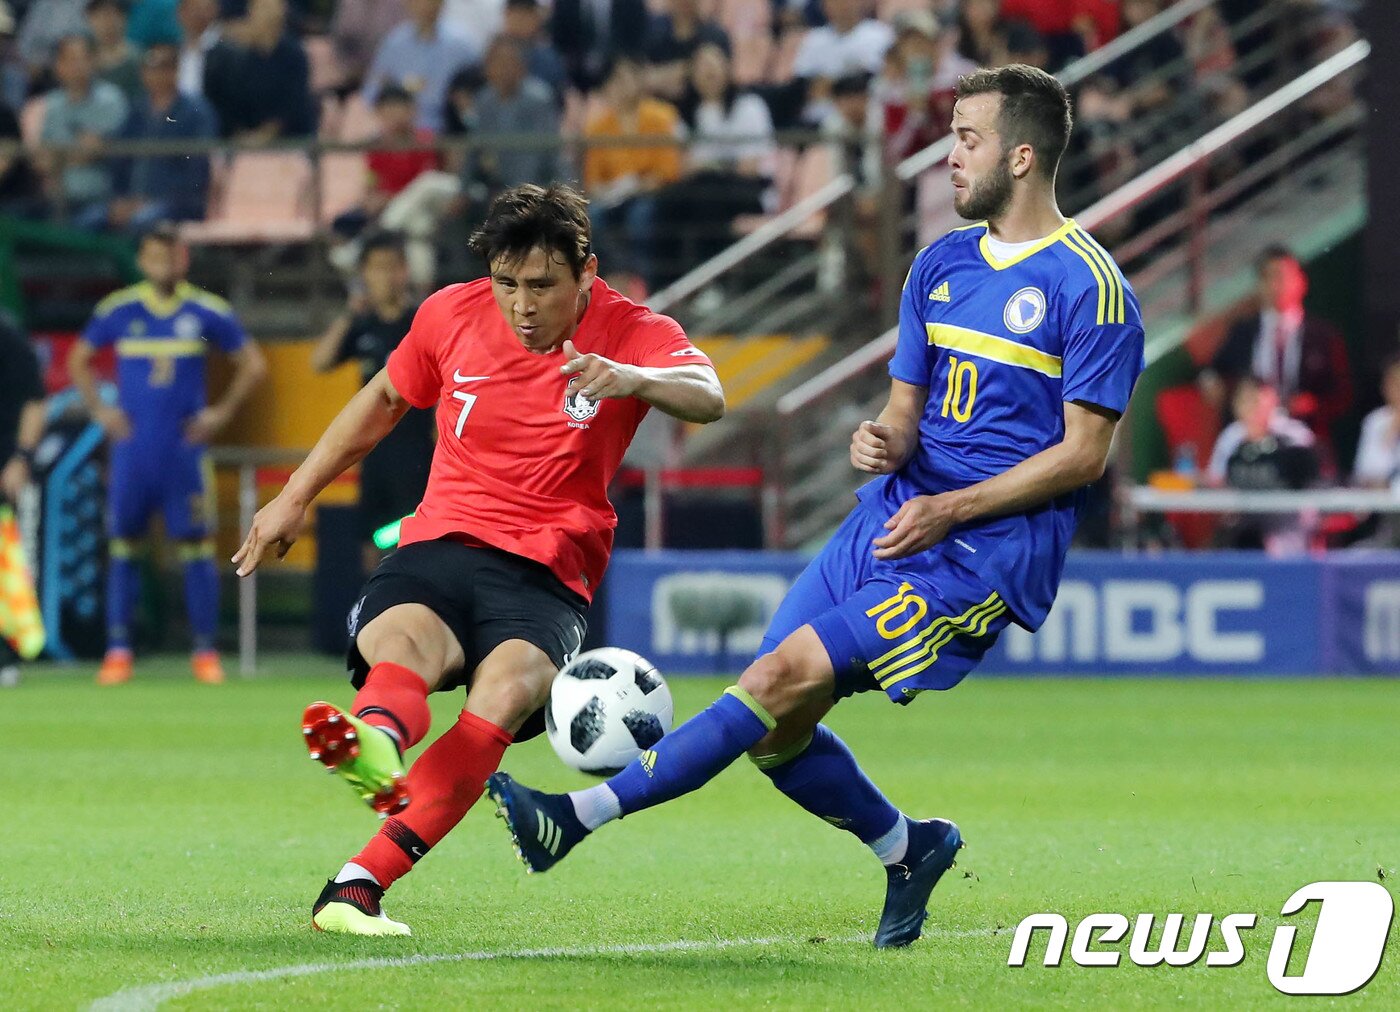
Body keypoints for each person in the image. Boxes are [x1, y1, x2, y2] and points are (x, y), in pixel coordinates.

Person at [486, 65, 1146, 949]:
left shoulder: (1090, 288)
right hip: (890, 519)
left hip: (980, 556)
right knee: (771, 731)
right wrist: (877, 442)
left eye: (967, 140)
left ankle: (573, 817)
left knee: (767, 684)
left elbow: (1084, 454)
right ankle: (910, 848)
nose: (948, 158)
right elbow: (904, 419)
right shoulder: (940, 266)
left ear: (1023, 157)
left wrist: (952, 511)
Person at [231, 183, 724, 936]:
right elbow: (382, 400)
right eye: (506, 284)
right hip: (442, 541)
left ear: (586, 273)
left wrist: (633, 379)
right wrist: (293, 497)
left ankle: (354, 889)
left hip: (547, 572)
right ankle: (374, 747)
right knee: (405, 643)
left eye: (541, 287)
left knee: (509, 690)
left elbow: (708, 394)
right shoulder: (449, 314)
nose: (521, 305)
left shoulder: (632, 330)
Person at [68, 224, 267, 686]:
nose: (164, 264)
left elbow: (252, 365)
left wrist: (220, 413)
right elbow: (79, 357)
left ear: (184, 260)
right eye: (155, 256)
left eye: (171, 256)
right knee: (123, 546)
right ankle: (118, 651)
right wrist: (101, 409)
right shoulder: (119, 310)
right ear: (142, 260)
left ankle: (204, 651)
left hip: (184, 451)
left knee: (196, 548)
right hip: (133, 451)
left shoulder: (206, 310)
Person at [310, 233, 434, 572]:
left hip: (416, 454)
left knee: (415, 542)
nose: (385, 276)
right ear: (364, 275)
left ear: (405, 271)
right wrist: (350, 314)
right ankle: (375, 610)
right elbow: (319, 362)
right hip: (373, 453)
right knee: (372, 542)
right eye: (376, 269)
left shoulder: (420, 322)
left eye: (392, 268)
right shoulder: (362, 325)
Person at [1199, 245, 1352, 469]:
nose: (1276, 285)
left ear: (1301, 281)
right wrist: (1212, 383)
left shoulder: (1324, 336)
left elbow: (1343, 394)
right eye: (1267, 277)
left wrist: (1311, 405)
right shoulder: (1243, 331)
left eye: (1282, 276)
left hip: (1305, 440)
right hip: (1250, 447)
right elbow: (1213, 372)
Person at [100, 42, 219, 231]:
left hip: (178, 203)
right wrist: (120, 199)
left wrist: (151, 201)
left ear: (175, 71)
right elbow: (119, 157)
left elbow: (197, 168)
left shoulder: (196, 111)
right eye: (151, 68)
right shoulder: (136, 110)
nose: (157, 75)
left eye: (164, 68)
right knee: (89, 222)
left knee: (141, 222)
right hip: (132, 199)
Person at [1206, 375, 1318, 554]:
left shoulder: (1295, 436)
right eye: (1243, 400)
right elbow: (1216, 482)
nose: (1249, 407)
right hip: (1244, 524)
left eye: (1254, 399)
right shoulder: (1232, 437)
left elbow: (1311, 482)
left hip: (1287, 526)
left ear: (1270, 399)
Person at [36, 34, 129, 222]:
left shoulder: (111, 100)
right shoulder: (53, 104)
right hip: (55, 199)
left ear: (94, 61)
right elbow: (41, 159)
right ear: (58, 65)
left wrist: (60, 157)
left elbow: (94, 151)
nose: (77, 66)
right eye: (70, 59)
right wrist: (76, 153)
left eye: (83, 58)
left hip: (99, 198)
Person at [0, 313, 46, 689]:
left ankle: (5, 656)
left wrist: (22, 458)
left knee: (3, 570)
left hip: (1, 468)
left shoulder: (7, 335)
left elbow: (34, 401)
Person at [202, 0, 315, 141]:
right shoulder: (231, 57)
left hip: (286, 139)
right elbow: (223, 102)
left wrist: (264, 135)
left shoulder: (295, 56)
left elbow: (294, 103)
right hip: (237, 140)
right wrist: (239, 135)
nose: (269, 15)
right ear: (251, 14)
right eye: (262, 8)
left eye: (273, 9)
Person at [361, 0, 478, 135]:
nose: (426, 5)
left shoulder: (462, 45)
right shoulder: (394, 43)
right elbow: (372, 91)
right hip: (401, 133)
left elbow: (478, 94)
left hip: (448, 131)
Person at [1353, 354, 1400, 491]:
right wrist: (1390, 435)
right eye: (1391, 385)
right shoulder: (1375, 420)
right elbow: (1364, 470)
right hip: (1381, 502)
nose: (1396, 392)